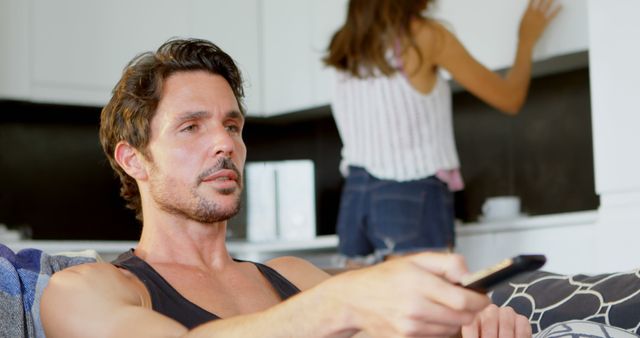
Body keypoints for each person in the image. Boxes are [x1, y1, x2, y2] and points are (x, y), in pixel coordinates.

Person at [40, 38, 531, 338]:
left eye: (232, 126)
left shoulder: (293, 277)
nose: (223, 144)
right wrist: (340, 302)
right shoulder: (86, 289)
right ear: (134, 160)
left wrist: (468, 321)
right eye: (191, 127)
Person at [324, 0, 561, 265]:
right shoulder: (424, 36)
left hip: (355, 199)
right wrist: (526, 38)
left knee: (363, 304)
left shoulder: (343, 46)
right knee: (427, 302)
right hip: (410, 195)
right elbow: (510, 97)